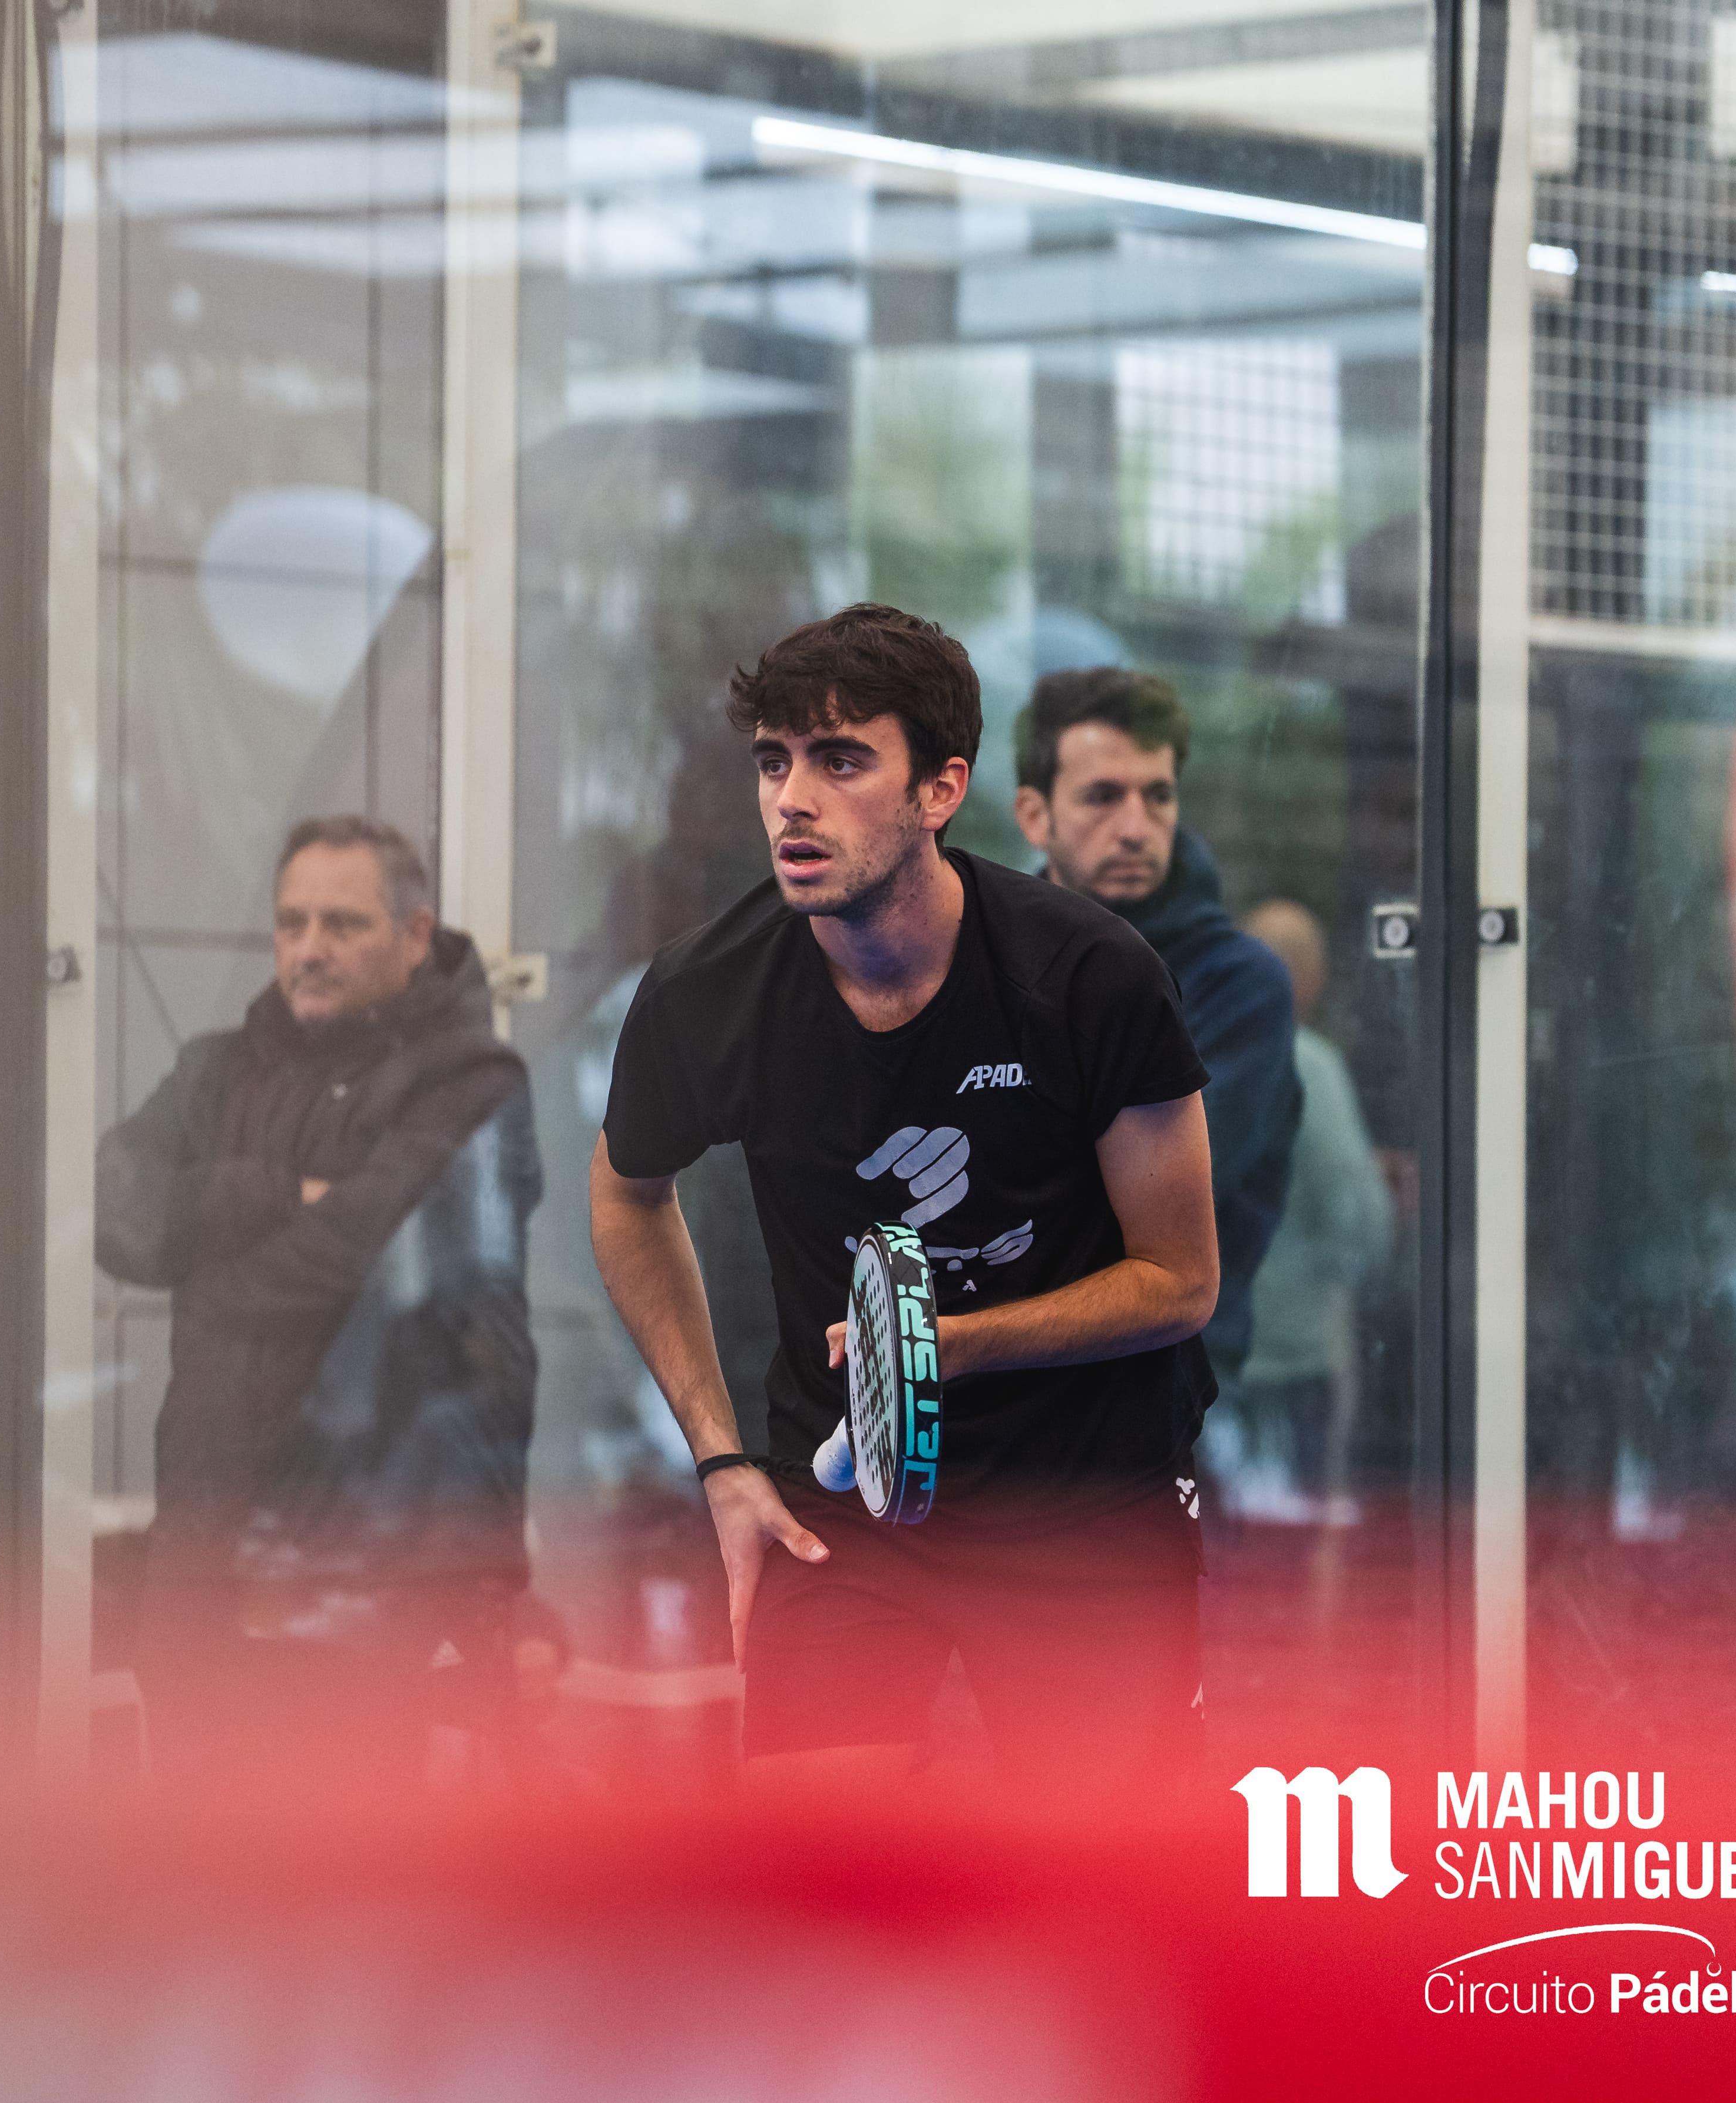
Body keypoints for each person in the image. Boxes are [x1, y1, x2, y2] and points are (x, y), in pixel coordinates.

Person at [587, 603, 1222, 1800]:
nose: (790, 799)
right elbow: (626, 1193)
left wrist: (943, 1344)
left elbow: (1180, 1281)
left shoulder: (1089, 977)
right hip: (846, 1501)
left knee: (1103, 1874)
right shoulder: (703, 994)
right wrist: (721, 1461)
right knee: (818, 1864)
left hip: (1083, 1498)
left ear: (940, 789)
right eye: (772, 761)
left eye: (838, 761)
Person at [95, 816, 542, 1782]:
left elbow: (370, 1254)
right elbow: (115, 1213)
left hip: (373, 1567)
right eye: (291, 922)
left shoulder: (473, 1081)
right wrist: (267, 1192)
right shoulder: (215, 1070)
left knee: (347, 1852)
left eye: (341, 923)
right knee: (189, 1850)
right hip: (202, 1552)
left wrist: (208, 1265)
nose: (308, 947)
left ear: (414, 935)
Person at [1011, 668, 1300, 1388]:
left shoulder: (1238, 984)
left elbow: (1139, 1206)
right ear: (1035, 816)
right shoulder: (984, 957)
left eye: (1157, 795)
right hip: (994, 1374)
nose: (1135, 827)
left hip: (1170, 1388)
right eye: (1102, 796)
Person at [1216, 899, 1396, 1522]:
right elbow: (1357, 1219)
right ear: (1309, 978)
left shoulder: (1190, 1054)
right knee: (1295, 1546)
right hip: (1292, 1358)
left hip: (1207, 1353)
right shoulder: (1308, 1066)